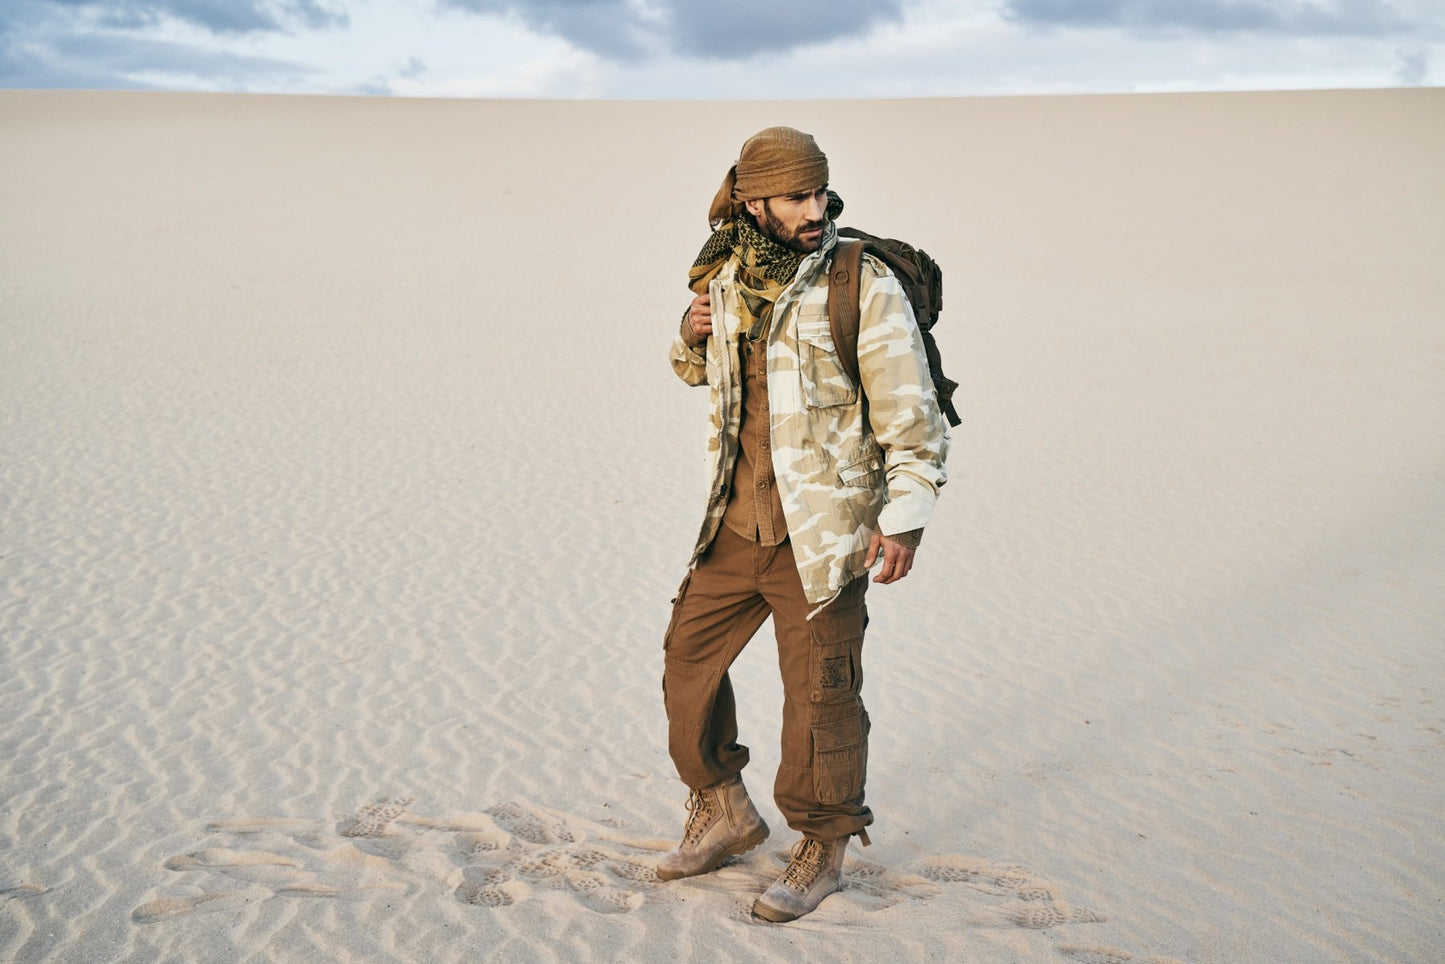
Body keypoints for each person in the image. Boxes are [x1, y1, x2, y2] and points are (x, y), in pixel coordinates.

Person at [658, 126, 950, 922]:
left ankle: (822, 844)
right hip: (733, 526)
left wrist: (905, 520)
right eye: (797, 197)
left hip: (823, 536)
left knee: (820, 700)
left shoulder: (861, 281)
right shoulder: (724, 272)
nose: (816, 209)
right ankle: (723, 811)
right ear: (753, 200)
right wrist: (687, 341)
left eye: (821, 193)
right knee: (687, 668)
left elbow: (914, 419)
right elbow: (706, 373)